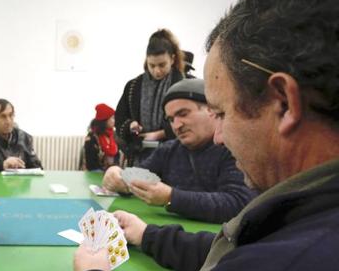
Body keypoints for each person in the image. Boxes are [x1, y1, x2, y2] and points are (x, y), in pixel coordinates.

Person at [69, 0, 339, 271]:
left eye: (222, 112)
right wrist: (146, 232)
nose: (218, 135)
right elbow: (235, 248)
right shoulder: (305, 219)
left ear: (283, 103)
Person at [102, 79, 255, 223]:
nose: (176, 125)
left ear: (212, 110)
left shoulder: (234, 149)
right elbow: (137, 177)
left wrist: (170, 197)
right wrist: (117, 174)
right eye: (170, 119)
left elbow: (238, 203)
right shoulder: (169, 150)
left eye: (183, 114)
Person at [115, 29, 185, 166]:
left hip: (174, 158)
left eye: (162, 65)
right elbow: (120, 118)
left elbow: (189, 121)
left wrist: (160, 134)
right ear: (146, 60)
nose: (156, 71)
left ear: (172, 59)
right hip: (139, 157)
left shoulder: (184, 85)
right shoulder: (133, 86)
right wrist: (131, 125)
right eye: (151, 65)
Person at [82, 103, 123, 171]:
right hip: (95, 173)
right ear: (105, 120)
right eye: (112, 118)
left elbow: (117, 157)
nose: (114, 121)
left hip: (111, 172)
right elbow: (91, 165)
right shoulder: (92, 137)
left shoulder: (113, 135)